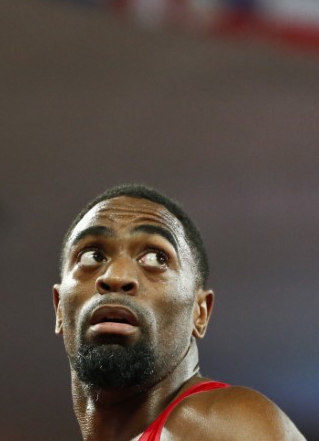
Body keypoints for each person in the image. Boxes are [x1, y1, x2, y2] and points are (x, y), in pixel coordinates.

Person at [52, 184, 305, 440]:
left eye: (155, 258)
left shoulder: (221, 426)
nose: (116, 276)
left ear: (200, 313)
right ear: (59, 307)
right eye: (92, 256)